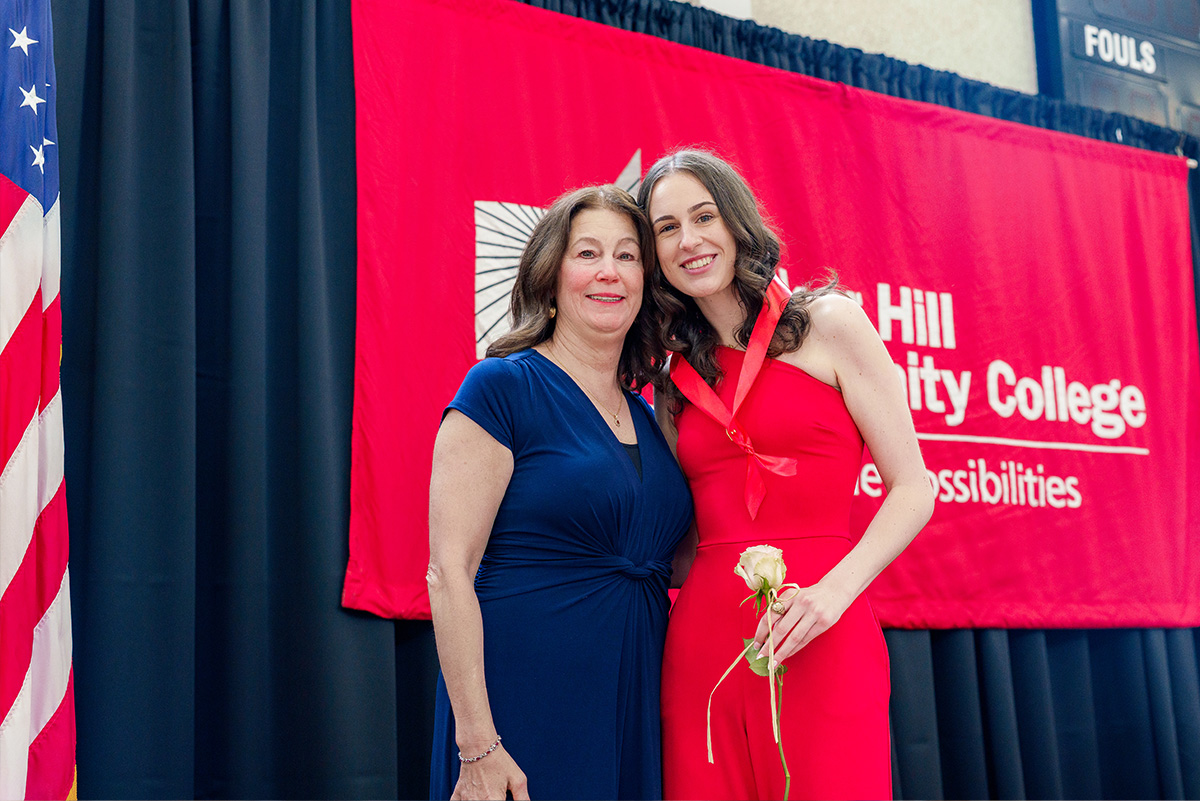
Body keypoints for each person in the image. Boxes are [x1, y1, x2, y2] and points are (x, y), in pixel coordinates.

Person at [638, 149, 935, 800]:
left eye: (703, 216)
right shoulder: (670, 379)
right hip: (702, 648)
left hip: (824, 629)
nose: (688, 240)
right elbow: (678, 537)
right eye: (666, 228)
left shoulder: (831, 324)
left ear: (736, 220)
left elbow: (915, 489)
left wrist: (834, 593)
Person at [426, 184, 694, 801]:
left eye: (628, 256)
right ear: (550, 278)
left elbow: (678, 561)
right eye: (588, 253)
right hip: (521, 704)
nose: (610, 272)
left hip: (635, 698)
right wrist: (478, 744)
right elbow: (449, 572)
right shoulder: (499, 388)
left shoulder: (652, 417)